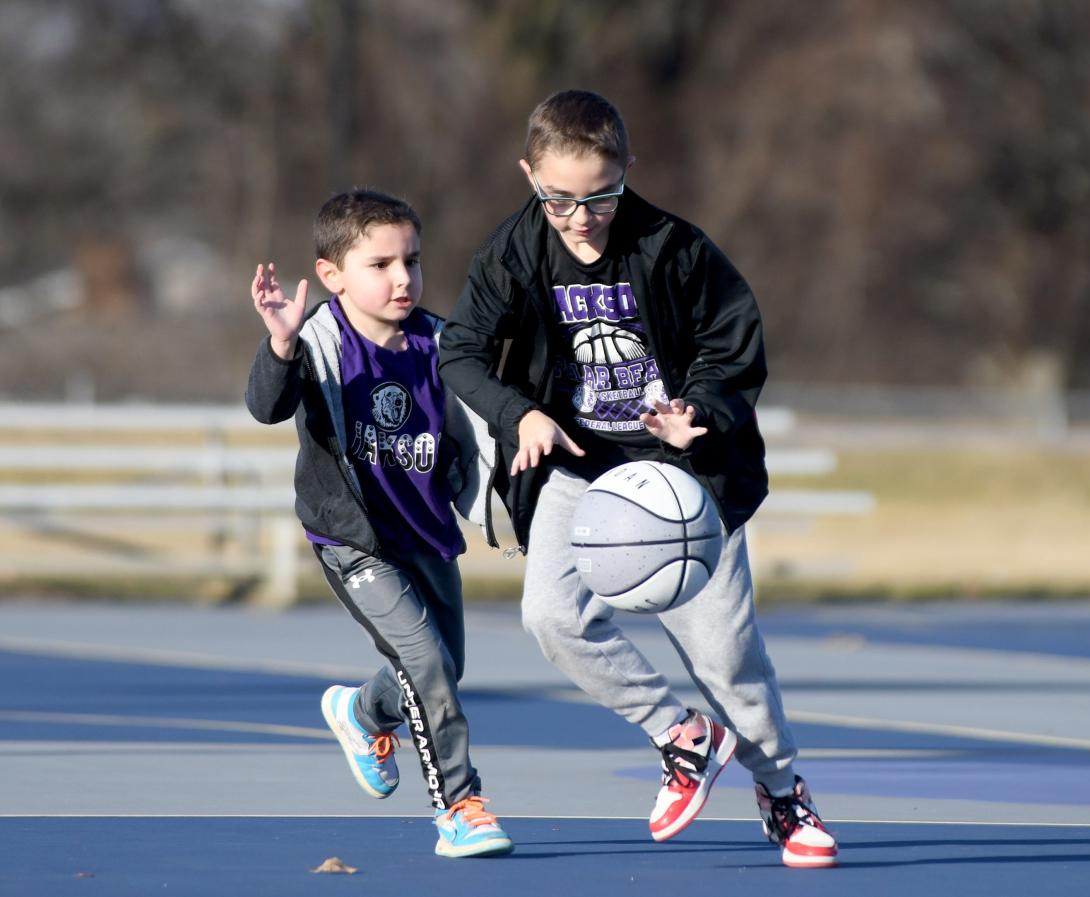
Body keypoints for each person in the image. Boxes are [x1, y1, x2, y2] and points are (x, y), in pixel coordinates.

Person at [438, 90, 838, 869]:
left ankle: (782, 791)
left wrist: (703, 412)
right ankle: (681, 736)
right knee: (551, 617)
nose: (580, 216)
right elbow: (461, 350)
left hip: (683, 474)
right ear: (529, 176)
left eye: (600, 196)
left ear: (628, 174)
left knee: (725, 653)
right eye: (559, 199)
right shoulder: (515, 251)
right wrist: (518, 412)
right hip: (579, 466)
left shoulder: (675, 248)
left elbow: (736, 344)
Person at [245, 189, 512, 859]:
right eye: (381, 264)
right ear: (333, 275)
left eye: (413, 261)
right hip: (355, 543)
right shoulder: (316, 341)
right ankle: (460, 805)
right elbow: (266, 406)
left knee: (440, 668)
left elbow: (481, 432)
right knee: (425, 662)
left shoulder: (443, 344)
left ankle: (362, 714)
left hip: (428, 537)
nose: (403, 278)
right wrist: (279, 343)